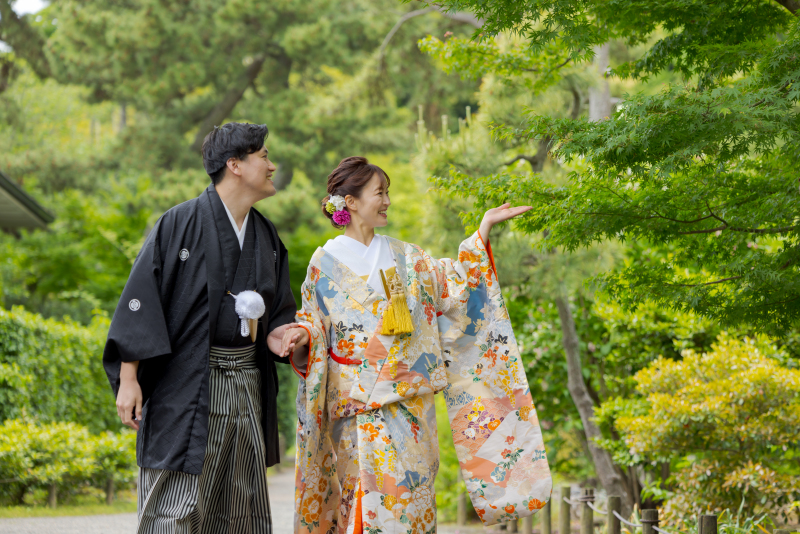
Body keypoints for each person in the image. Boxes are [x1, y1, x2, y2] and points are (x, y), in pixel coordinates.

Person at [281, 156, 552, 534]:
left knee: (409, 508)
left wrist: (481, 234)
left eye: (388, 191)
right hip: (357, 408)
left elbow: (457, 291)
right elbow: (314, 324)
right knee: (360, 506)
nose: (388, 200)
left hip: (410, 408)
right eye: (380, 192)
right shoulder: (322, 264)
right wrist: (302, 336)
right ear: (352, 201)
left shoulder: (409, 258)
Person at [103, 122, 297, 534]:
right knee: (174, 508)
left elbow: (279, 309)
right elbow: (142, 300)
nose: (272, 165)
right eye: (263, 156)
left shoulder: (265, 234)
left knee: (237, 505)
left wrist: (283, 334)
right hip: (187, 384)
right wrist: (129, 377)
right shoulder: (180, 223)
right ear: (235, 165)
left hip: (245, 382)